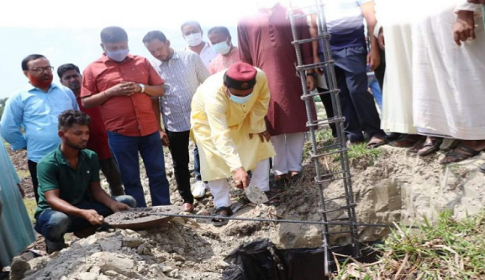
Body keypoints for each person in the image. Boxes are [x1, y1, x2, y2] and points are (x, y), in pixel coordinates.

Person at [81, 26, 170, 207]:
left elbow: (160, 89)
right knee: (130, 178)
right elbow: (86, 101)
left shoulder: (142, 62)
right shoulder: (93, 69)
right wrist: (110, 92)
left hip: (149, 128)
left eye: (123, 45)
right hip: (120, 133)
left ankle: (164, 211)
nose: (119, 50)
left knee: (158, 173)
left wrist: (141, 88)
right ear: (103, 46)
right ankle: (141, 215)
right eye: (113, 48)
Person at [34, 110, 136, 253]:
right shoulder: (48, 163)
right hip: (55, 212)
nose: (84, 137)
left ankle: (86, 230)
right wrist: (83, 213)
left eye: (87, 133)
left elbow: (96, 190)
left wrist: (113, 204)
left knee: (127, 202)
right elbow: (52, 199)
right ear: (62, 135)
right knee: (57, 221)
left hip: (84, 208)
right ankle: (54, 247)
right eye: (78, 133)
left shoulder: (90, 156)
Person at [238, 1, 316, 187]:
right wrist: (248, 83)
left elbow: (306, 45)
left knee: (296, 119)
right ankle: (280, 169)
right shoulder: (245, 19)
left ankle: (296, 165)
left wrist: (310, 72)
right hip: (262, 80)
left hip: (294, 73)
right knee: (272, 122)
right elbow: (245, 56)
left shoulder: (294, 12)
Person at [191, 62, 275, 226]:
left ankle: (260, 192)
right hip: (209, 123)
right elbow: (221, 135)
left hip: (244, 116)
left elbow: (262, 99)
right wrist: (237, 168)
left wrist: (256, 124)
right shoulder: (213, 94)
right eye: (237, 95)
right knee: (213, 159)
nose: (242, 98)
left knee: (259, 145)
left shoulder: (259, 76)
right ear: (225, 87)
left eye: (246, 94)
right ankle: (223, 204)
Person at [142, 30, 210, 211]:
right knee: (179, 163)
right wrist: (159, 128)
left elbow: (208, 84)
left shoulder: (190, 58)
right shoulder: (152, 67)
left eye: (159, 48)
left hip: (199, 118)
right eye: (152, 51)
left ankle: (216, 193)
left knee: (208, 156)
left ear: (168, 42)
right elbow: (154, 100)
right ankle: (187, 199)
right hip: (173, 122)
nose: (157, 53)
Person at [412, 0, 485, 164]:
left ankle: (477, 136)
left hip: (457, 12)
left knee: (467, 71)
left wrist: (466, 10)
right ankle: (454, 131)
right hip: (431, 15)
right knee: (441, 75)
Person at [0, 54, 78, 203]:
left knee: (78, 195)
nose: (45, 72)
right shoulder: (19, 97)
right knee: (48, 201)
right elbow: (7, 128)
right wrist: (23, 144)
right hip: (41, 158)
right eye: (38, 69)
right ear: (26, 73)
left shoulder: (65, 92)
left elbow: (77, 118)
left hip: (72, 155)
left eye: (48, 68)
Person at [321, 0, 387, 148]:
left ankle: (375, 132)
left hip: (352, 44)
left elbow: (371, 19)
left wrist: (373, 48)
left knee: (357, 90)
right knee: (339, 93)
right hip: (325, 47)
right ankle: (354, 135)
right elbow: (312, 25)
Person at [57, 63, 124, 196]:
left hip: (104, 145)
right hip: (80, 150)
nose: (72, 80)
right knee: (86, 186)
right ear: (61, 81)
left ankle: (123, 209)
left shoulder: (94, 94)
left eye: (75, 76)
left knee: (116, 181)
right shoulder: (63, 100)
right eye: (67, 78)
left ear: (81, 76)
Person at [181, 20, 218, 197]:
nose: (191, 35)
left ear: (201, 31)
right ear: (183, 36)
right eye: (187, 33)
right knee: (199, 143)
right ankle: (202, 179)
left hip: (218, 101)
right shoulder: (182, 56)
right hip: (196, 106)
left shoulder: (215, 50)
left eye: (194, 31)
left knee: (226, 136)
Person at [0, 129, 36, 268]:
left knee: (10, 215)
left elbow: (4, 156)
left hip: (4, 175)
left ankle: (17, 254)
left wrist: (15, 180)